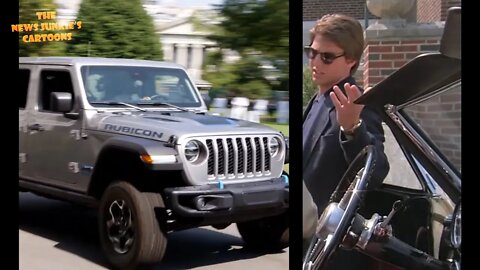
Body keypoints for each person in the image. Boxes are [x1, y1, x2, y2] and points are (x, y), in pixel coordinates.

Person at [302, 14, 390, 269]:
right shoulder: (318, 100)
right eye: (312, 53)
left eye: (327, 56)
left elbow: (376, 173)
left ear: (350, 60)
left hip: (334, 249)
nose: (315, 62)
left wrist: (352, 127)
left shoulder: (357, 104)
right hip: (309, 240)